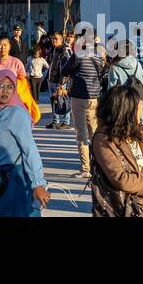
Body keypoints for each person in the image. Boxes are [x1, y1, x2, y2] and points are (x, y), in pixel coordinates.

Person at [0, 69, 49, 217]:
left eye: (10, 86)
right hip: (4, 178)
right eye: (0, 85)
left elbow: (30, 149)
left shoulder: (17, 113)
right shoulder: (0, 112)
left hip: (18, 180)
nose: (5, 90)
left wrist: (38, 183)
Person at [90, 83, 143, 217]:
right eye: (138, 106)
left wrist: (139, 186)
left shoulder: (141, 133)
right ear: (126, 110)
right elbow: (122, 180)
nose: (141, 110)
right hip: (118, 209)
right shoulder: (103, 139)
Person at [62, 28, 106, 177]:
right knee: (94, 133)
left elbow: (65, 71)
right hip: (94, 97)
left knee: (81, 134)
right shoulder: (99, 56)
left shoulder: (78, 55)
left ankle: (86, 168)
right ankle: (99, 166)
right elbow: (101, 75)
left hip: (79, 97)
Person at [44, 31, 72, 129]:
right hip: (51, 79)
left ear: (61, 39)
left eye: (56, 38)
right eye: (52, 38)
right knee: (54, 101)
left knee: (64, 100)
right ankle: (56, 121)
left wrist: (62, 81)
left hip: (60, 80)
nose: (53, 40)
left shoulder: (64, 50)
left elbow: (67, 67)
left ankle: (66, 121)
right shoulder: (53, 50)